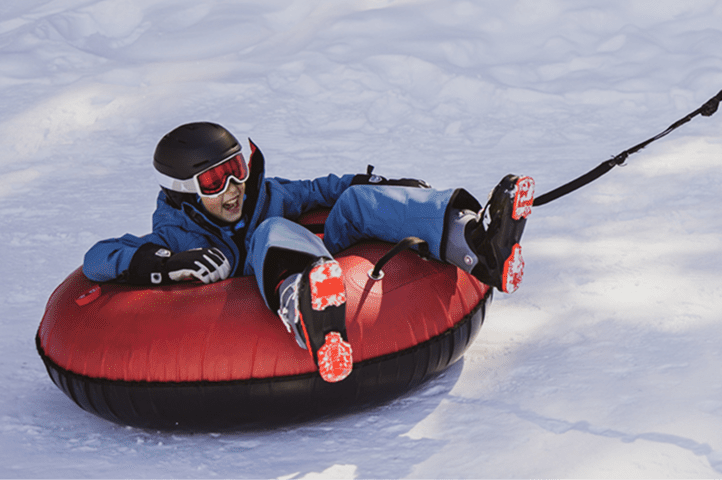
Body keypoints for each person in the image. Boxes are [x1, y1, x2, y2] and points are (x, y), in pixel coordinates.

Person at [83, 121, 533, 383]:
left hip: (314, 255)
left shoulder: (265, 194)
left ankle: (477, 246)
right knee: (271, 231)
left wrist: (376, 184)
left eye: (236, 170)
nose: (233, 189)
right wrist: (165, 264)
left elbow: (320, 189)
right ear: (184, 192)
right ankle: (311, 314)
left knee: (350, 203)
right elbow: (99, 257)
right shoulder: (175, 231)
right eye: (213, 183)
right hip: (276, 282)